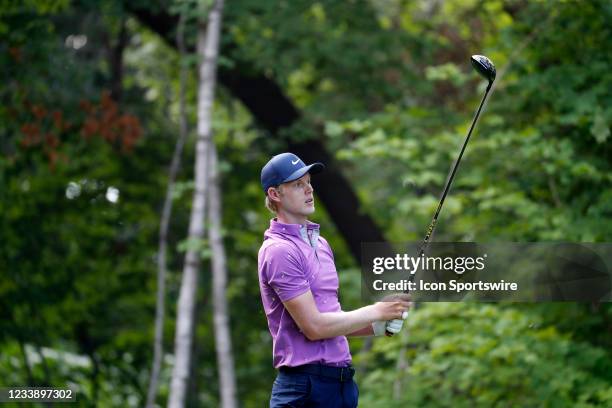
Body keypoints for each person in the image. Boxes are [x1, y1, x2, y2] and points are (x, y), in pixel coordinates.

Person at [257, 152, 411, 407]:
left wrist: (378, 324)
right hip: (305, 390)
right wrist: (376, 310)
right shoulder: (279, 250)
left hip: (341, 386)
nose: (309, 190)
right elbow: (315, 327)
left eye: (309, 182)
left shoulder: (321, 243)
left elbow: (332, 318)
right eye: (298, 185)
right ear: (275, 194)